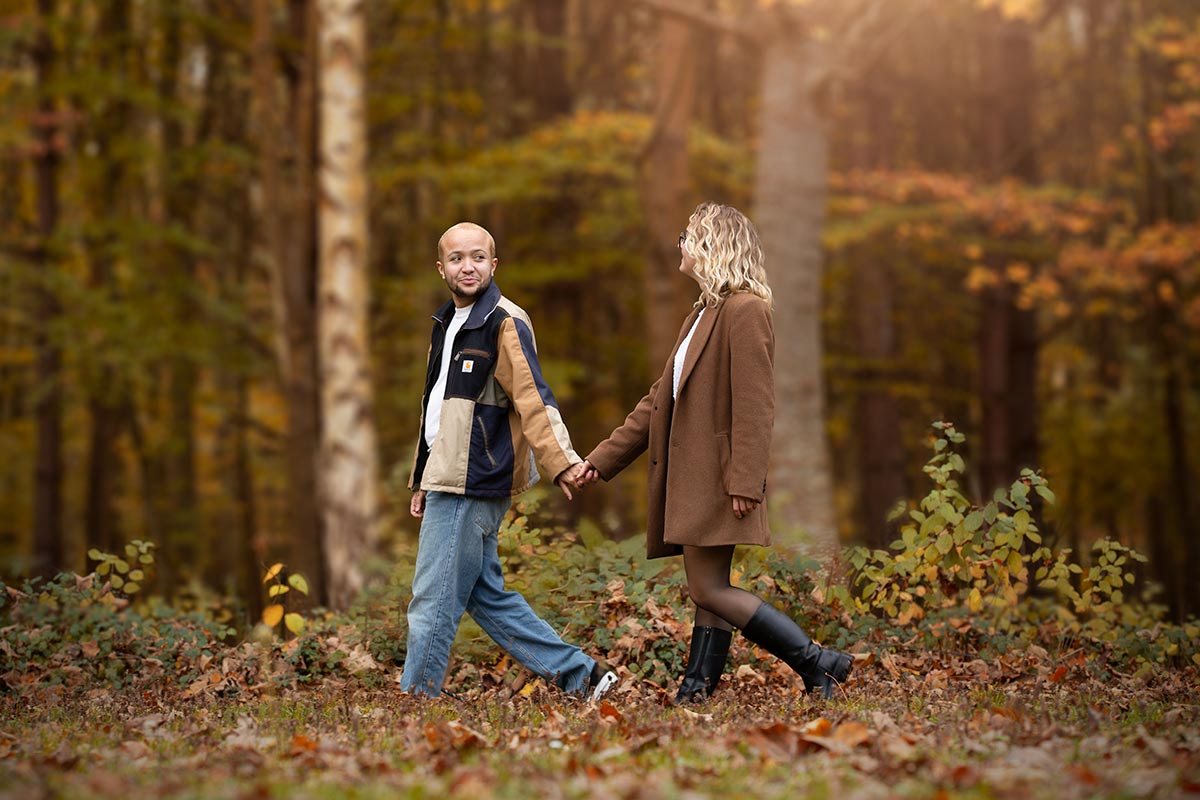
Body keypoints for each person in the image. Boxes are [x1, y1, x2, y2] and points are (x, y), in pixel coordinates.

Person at [580, 203, 854, 702]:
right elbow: (657, 402)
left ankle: (818, 663)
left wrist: (746, 481)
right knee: (711, 589)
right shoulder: (701, 315)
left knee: (707, 590)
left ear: (713, 246)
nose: (679, 244)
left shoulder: (747, 311)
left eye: (688, 235)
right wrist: (600, 461)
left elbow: (755, 407)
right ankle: (696, 689)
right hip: (696, 478)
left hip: (719, 479)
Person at [403, 221, 617, 701]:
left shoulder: (504, 320)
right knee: (486, 598)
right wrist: (422, 477)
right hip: (447, 475)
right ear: (441, 269)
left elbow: (533, 398)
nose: (468, 266)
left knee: (432, 600)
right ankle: (581, 675)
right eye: (457, 258)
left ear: (494, 264)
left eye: (478, 257)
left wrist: (562, 461)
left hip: (473, 478)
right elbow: (436, 410)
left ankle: (416, 700)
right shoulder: (447, 324)